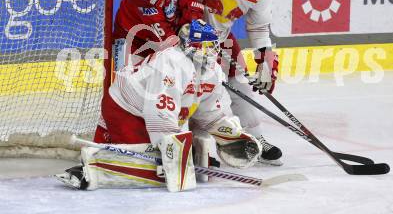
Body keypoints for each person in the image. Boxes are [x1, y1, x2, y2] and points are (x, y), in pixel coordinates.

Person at [55, 20, 262, 192]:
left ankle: (107, 157)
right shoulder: (171, 64)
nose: (212, 51)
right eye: (206, 46)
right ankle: (93, 169)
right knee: (158, 168)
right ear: (192, 45)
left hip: (144, 113)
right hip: (125, 110)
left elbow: (210, 113)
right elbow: (159, 113)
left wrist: (230, 136)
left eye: (213, 45)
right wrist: (173, 153)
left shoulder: (212, 71)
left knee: (166, 163)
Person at [179, 0, 283, 165]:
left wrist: (264, 64)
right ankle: (193, 146)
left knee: (242, 86)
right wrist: (189, 11)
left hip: (220, 38)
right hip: (186, 34)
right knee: (192, 92)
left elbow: (258, 28)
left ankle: (256, 141)